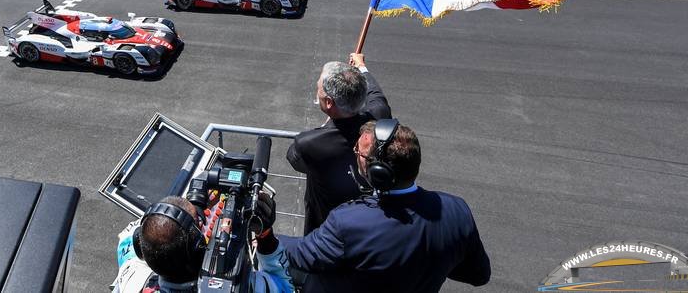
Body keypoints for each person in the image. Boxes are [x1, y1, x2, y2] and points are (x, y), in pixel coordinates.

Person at [284, 120, 491, 292]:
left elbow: (301, 254)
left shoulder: (349, 222)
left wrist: (265, 236)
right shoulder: (457, 211)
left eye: (359, 153)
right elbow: (479, 275)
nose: (356, 154)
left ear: (379, 172)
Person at [287, 53, 391, 234]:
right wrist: (361, 67)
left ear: (329, 103)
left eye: (318, 87)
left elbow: (294, 158)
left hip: (326, 230)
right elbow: (375, 94)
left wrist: (325, 126)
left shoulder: (309, 143)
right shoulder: (380, 116)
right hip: (371, 225)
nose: (317, 89)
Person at [111, 193, 293, 293]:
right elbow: (285, 287)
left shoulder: (133, 280)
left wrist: (186, 214)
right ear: (200, 249)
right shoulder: (251, 287)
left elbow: (139, 232)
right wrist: (265, 235)